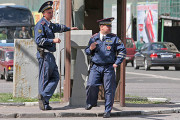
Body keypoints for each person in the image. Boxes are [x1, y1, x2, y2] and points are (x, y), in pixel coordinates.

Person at [34, 1, 78, 111]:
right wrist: (52, 40)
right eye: (49, 13)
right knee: (45, 79)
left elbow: (58, 27)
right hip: (44, 55)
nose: (51, 14)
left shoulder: (49, 24)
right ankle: (44, 102)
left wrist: (69, 28)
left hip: (50, 55)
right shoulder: (41, 25)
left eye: (52, 12)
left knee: (56, 77)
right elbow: (38, 40)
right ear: (44, 13)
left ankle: (44, 97)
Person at [85, 17, 126, 118]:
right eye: (108, 26)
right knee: (91, 84)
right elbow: (86, 51)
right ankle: (91, 102)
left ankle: (107, 110)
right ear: (101, 27)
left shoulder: (114, 38)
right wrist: (90, 48)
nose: (110, 28)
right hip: (96, 66)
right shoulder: (94, 38)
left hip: (108, 67)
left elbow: (122, 51)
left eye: (110, 26)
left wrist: (117, 63)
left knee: (109, 89)